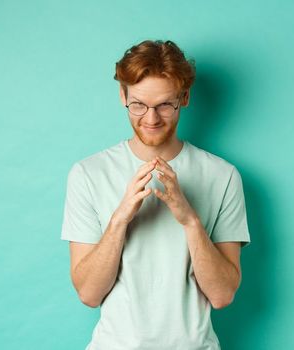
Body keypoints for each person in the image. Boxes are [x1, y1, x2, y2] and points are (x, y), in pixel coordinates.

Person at [60, 39, 251, 350]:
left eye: (165, 104)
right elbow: (89, 294)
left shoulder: (222, 176)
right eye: (138, 104)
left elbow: (222, 295)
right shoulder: (88, 174)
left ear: (184, 98)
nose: (151, 119)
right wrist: (120, 218)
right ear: (122, 96)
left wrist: (190, 220)